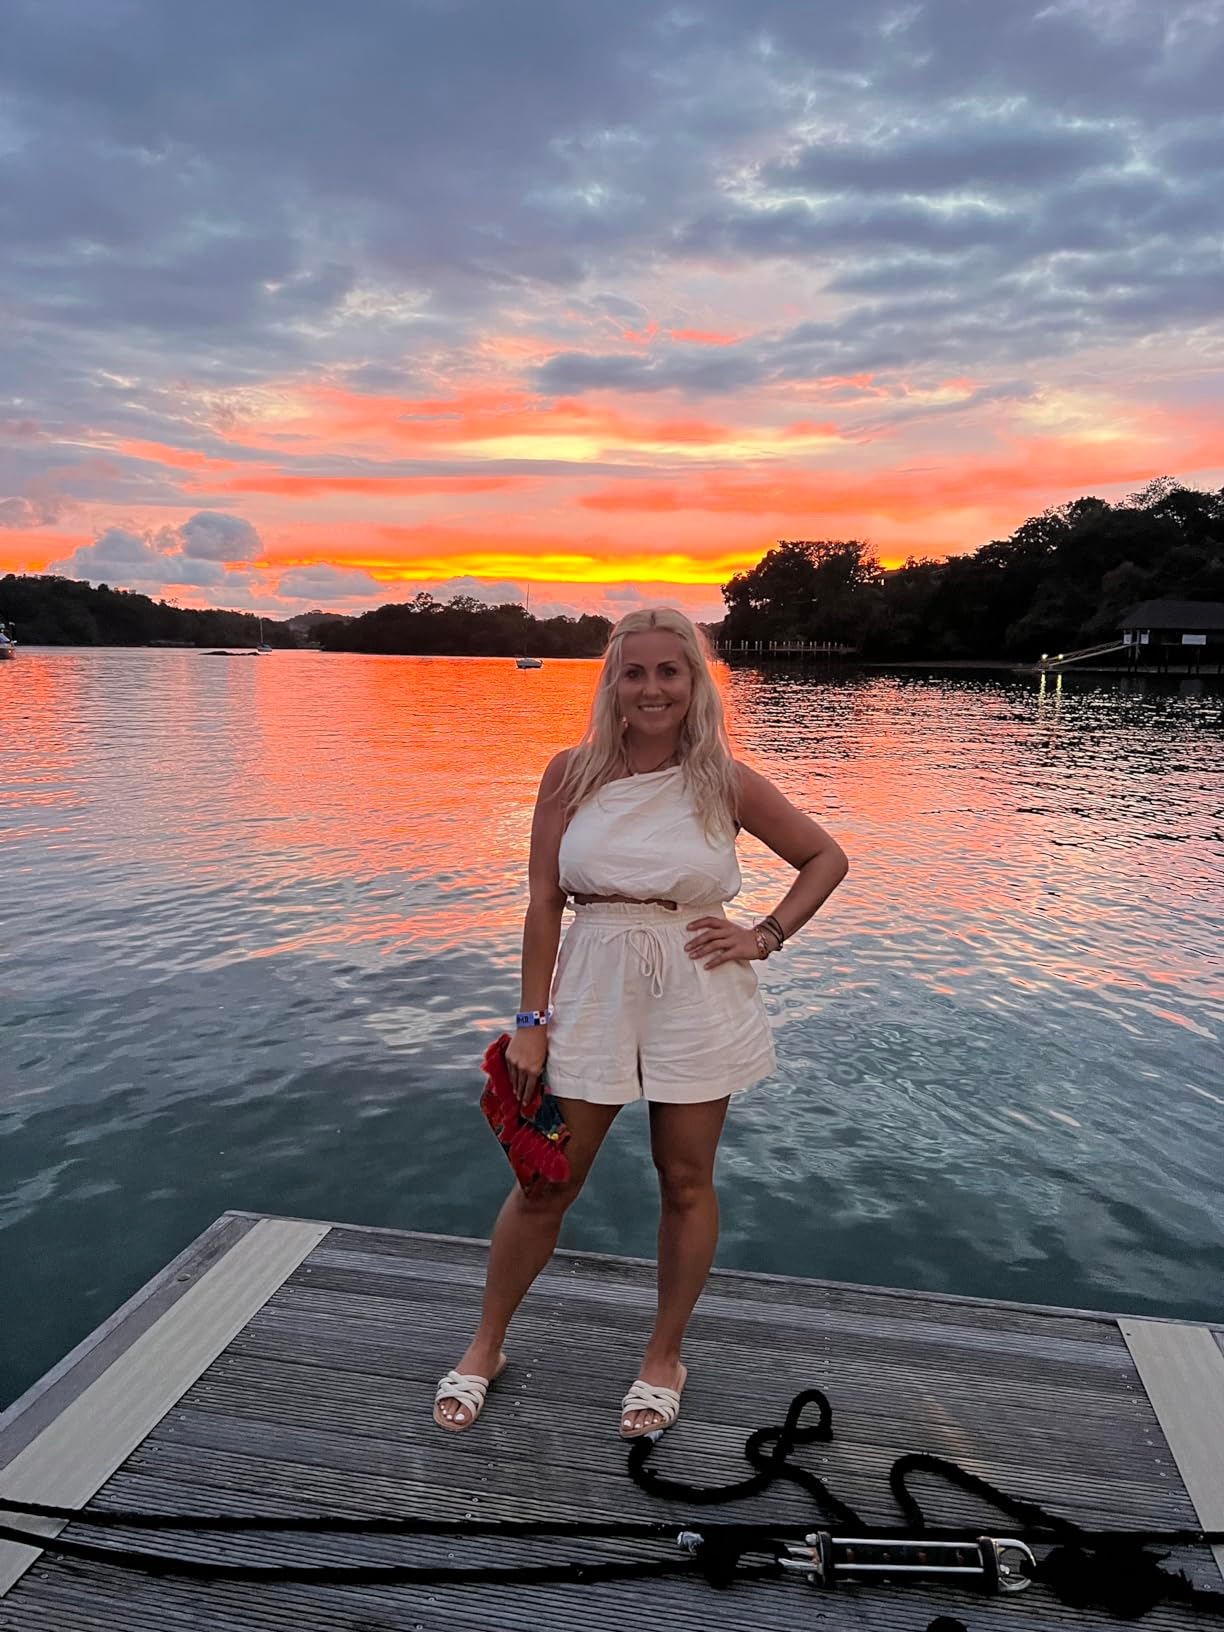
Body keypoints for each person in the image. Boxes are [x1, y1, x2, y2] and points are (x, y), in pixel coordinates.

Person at [434, 607, 849, 1438]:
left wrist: (762, 935)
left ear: (694, 683)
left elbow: (824, 857)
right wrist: (530, 1019)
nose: (653, 687)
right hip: (590, 985)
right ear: (612, 685)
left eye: (671, 671)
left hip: (696, 987)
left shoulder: (723, 779)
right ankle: (487, 1345)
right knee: (545, 1179)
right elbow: (545, 904)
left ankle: (664, 1355)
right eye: (636, 672)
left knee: (686, 1181)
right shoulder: (570, 774)